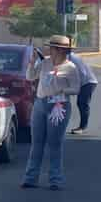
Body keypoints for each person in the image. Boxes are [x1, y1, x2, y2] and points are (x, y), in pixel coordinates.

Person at [21, 35, 80, 191]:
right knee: (37, 143)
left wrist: (62, 89)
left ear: (60, 50)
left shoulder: (70, 68)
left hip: (59, 106)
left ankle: (55, 180)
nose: (49, 50)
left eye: (52, 48)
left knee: (54, 144)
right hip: (40, 103)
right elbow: (30, 77)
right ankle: (30, 178)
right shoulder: (45, 63)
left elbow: (76, 88)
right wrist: (32, 62)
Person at [68, 52, 98, 134]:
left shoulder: (72, 59)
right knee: (81, 103)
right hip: (85, 82)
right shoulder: (70, 57)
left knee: (82, 103)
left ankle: (82, 127)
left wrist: (75, 87)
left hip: (88, 82)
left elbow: (83, 73)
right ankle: (82, 126)